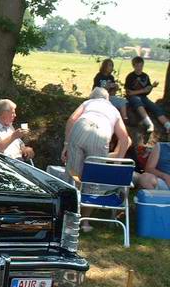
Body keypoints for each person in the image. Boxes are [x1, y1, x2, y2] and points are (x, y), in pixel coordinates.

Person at [61, 87, 131, 232]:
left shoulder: (88, 103)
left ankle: (67, 220)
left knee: (73, 175)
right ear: (108, 99)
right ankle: (84, 223)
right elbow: (124, 139)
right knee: (94, 180)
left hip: (80, 127)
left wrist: (66, 145)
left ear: (92, 96)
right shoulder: (113, 110)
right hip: (101, 132)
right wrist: (118, 161)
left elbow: (72, 120)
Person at [125, 56, 170, 134]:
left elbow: (147, 91)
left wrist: (151, 87)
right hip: (133, 98)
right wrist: (142, 90)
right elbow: (129, 92)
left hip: (143, 97)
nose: (139, 68)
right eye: (137, 66)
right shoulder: (130, 76)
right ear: (133, 66)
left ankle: (167, 125)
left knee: (155, 107)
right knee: (138, 103)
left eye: (141, 66)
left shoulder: (145, 76)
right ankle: (149, 124)